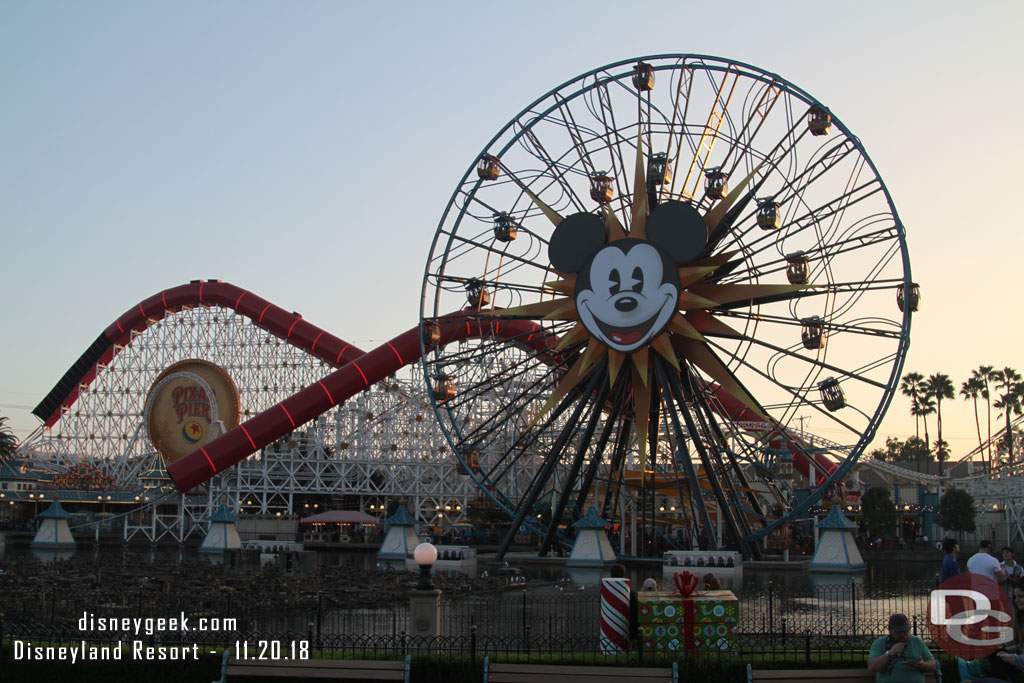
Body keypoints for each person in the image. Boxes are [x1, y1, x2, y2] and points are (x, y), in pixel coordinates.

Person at [867, 613, 938, 682]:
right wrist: (890, 654)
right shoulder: (880, 643)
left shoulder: (917, 642)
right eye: (898, 632)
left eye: (905, 631)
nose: (902, 635)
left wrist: (922, 664)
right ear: (890, 630)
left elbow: (933, 665)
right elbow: (872, 667)